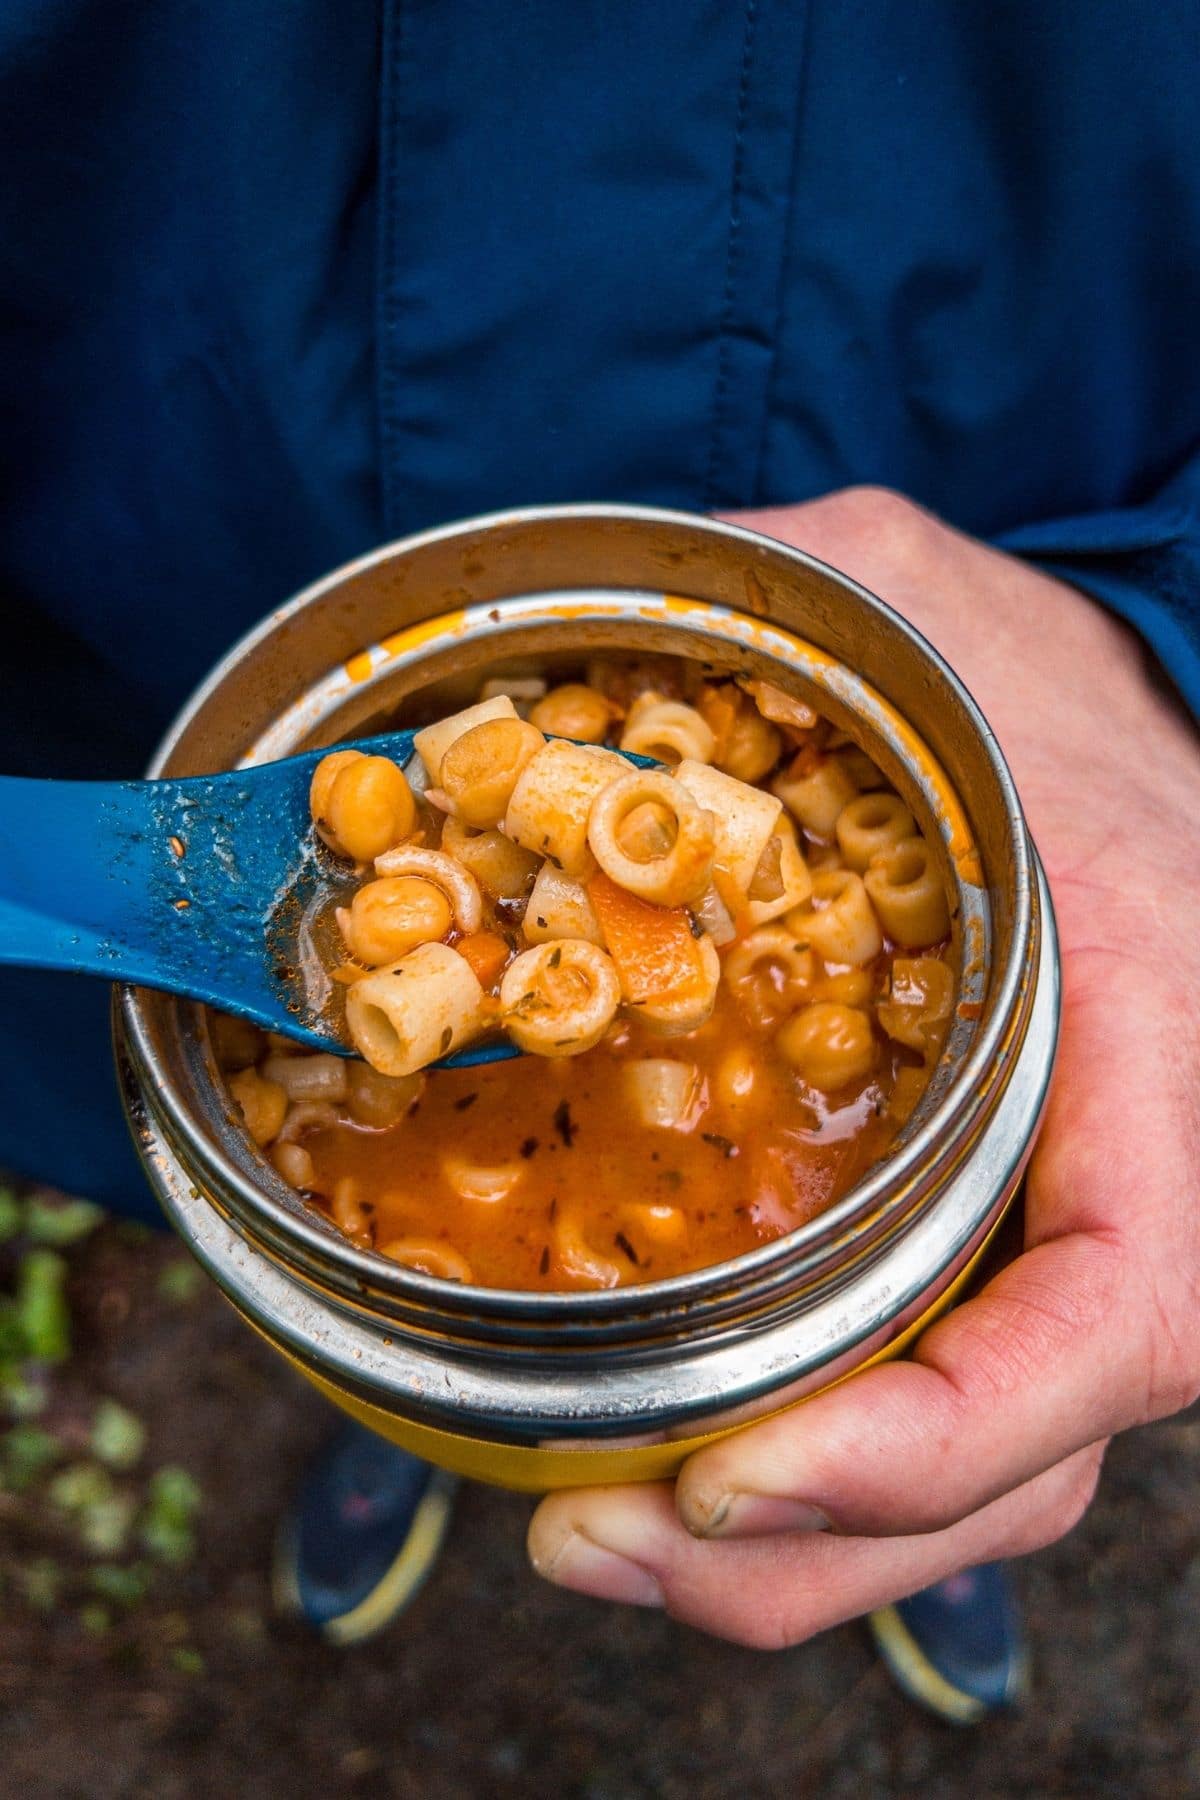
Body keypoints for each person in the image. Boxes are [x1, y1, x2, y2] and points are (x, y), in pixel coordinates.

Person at [2, 0, 1197, 1716]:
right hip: (142, 645)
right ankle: (418, 1412)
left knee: (922, 1348)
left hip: (1028, 553)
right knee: (397, 1328)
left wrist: (1171, 642)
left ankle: (929, 1485)